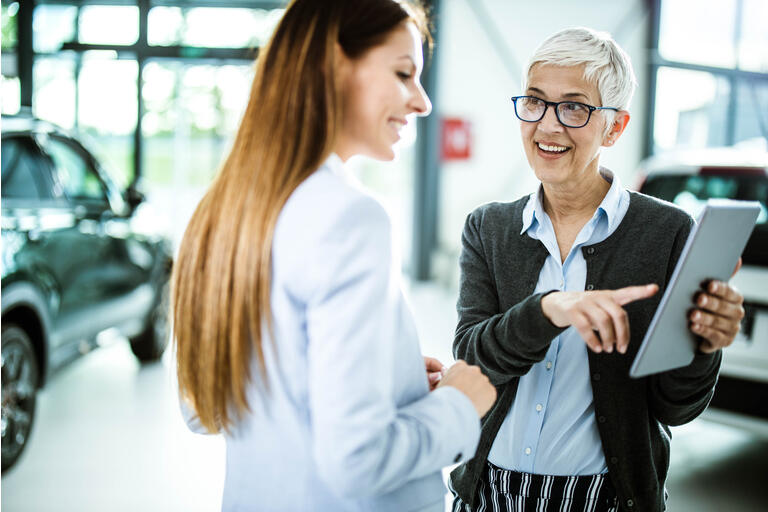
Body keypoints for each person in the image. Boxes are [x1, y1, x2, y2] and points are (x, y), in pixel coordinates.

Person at [172, 1, 497, 511]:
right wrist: (458, 405)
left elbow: (207, 406)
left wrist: (382, 376)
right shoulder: (349, 217)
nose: (423, 102)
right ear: (332, 64)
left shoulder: (224, 212)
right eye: (403, 73)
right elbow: (357, 460)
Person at [448, 27, 745, 512]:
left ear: (615, 127)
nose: (547, 126)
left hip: (606, 499)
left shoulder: (668, 232)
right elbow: (471, 361)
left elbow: (676, 408)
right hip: (487, 492)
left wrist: (704, 348)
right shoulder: (490, 228)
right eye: (536, 101)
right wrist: (549, 309)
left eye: (574, 107)